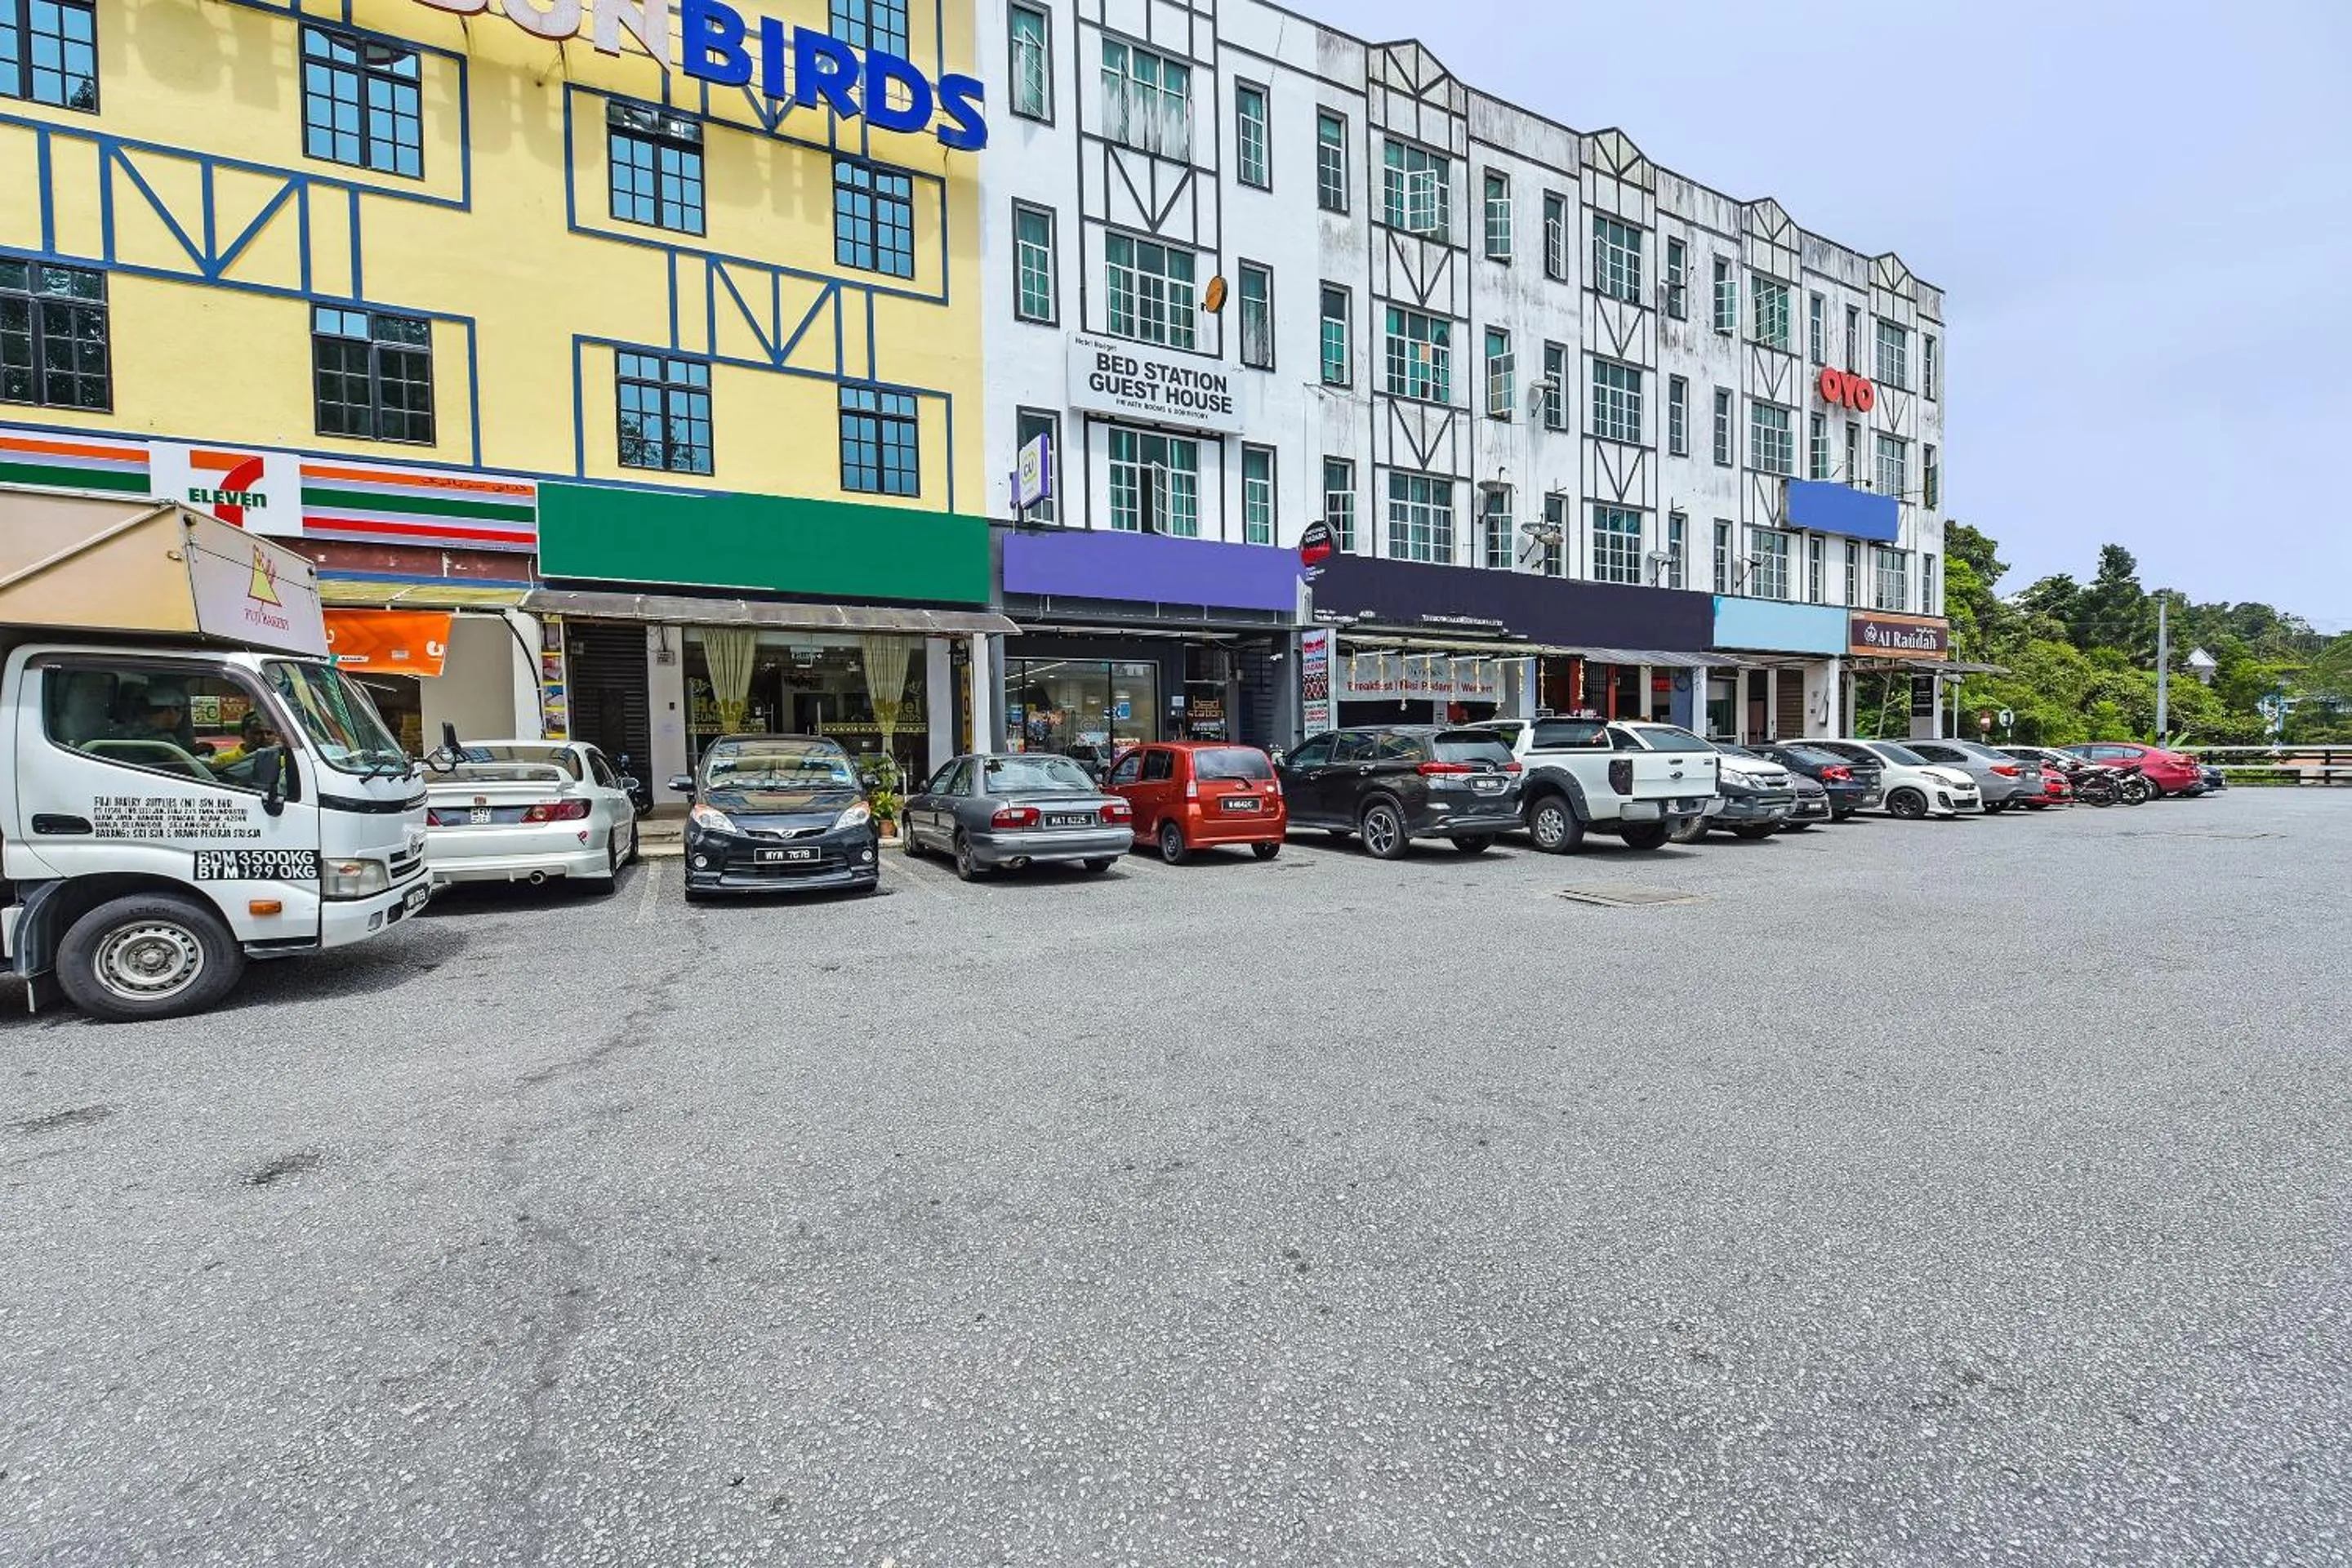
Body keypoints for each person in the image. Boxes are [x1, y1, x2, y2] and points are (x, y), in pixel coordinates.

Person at [116, 681, 193, 749]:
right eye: (181, 710)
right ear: (170, 710)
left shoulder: (123, 732)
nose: (181, 716)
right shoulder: (163, 742)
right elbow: (185, 765)